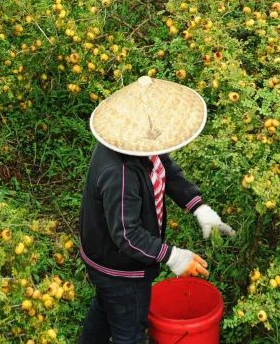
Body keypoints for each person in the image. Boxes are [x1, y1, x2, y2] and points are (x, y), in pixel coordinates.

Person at [78, 76, 235, 344]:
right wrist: (173, 257)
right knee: (130, 330)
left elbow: (166, 170)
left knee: (107, 307)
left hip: (109, 259)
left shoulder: (140, 145)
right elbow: (128, 235)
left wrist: (198, 207)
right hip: (119, 268)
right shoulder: (120, 173)